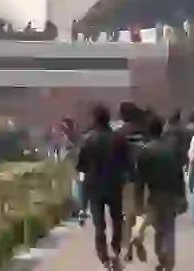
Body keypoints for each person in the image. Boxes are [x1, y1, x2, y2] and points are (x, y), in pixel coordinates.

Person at [76, 104, 128, 269]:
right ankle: (116, 249)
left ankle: (104, 257)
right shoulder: (119, 139)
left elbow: (81, 167)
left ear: (94, 120)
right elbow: (126, 163)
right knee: (117, 219)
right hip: (115, 184)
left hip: (94, 186)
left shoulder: (88, 140)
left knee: (99, 224)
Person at [135, 115, 185, 271]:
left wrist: (138, 201)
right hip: (172, 193)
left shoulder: (146, 151)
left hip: (154, 194)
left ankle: (162, 256)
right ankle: (168, 261)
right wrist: (182, 196)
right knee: (169, 228)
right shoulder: (172, 149)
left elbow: (140, 179)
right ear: (162, 129)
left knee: (159, 229)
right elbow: (179, 174)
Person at [116, 102, 150, 263]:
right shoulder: (145, 132)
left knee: (126, 216)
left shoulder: (119, 134)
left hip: (125, 179)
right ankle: (138, 237)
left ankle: (127, 249)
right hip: (144, 178)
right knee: (142, 214)